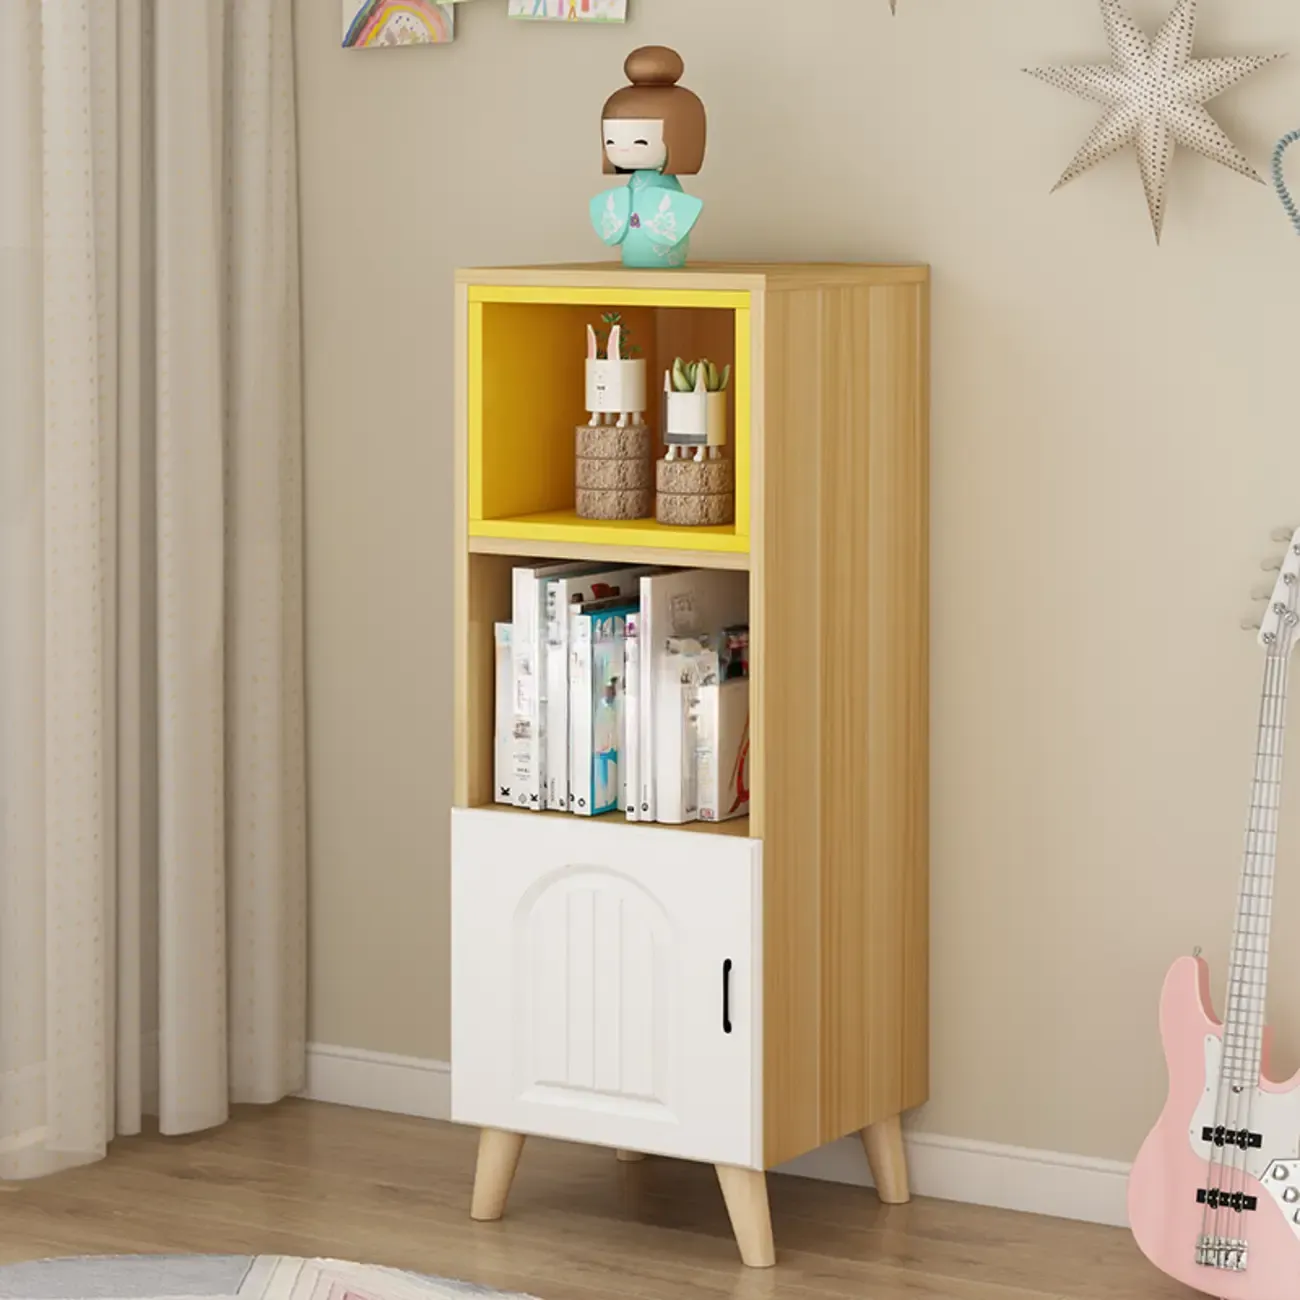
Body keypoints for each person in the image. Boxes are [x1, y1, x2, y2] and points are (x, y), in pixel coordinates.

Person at [589, 46, 706, 269]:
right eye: (611, 142)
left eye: (640, 142)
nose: (622, 150)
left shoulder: (665, 186)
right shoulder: (634, 184)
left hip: (665, 259)